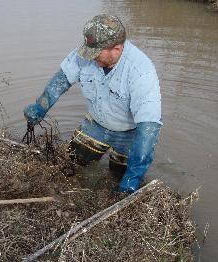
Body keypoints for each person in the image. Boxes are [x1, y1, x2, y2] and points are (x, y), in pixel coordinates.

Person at [23, 14, 162, 193]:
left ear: (117, 49)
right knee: (71, 164)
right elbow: (62, 80)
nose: (90, 57)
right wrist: (41, 106)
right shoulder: (85, 54)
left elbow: (148, 129)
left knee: (121, 178)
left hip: (130, 135)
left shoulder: (141, 71)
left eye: (96, 53)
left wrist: (133, 176)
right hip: (95, 125)